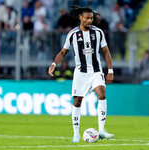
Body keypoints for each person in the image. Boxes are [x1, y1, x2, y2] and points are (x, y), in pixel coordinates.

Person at [48, 6, 114, 142]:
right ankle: (76, 134)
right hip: (80, 73)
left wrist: (110, 71)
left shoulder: (98, 33)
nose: (90, 20)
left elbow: (106, 51)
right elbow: (62, 52)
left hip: (96, 71)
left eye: (91, 18)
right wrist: (54, 64)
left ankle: (101, 130)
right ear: (80, 18)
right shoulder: (72, 34)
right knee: (77, 101)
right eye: (87, 18)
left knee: (102, 94)